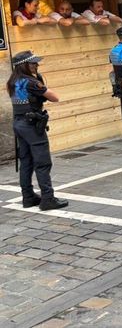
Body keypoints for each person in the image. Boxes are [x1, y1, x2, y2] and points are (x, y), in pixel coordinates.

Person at [7, 51, 68, 211]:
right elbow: (55, 97)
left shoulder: (12, 81)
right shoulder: (32, 83)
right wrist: (40, 83)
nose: (37, 65)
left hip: (19, 123)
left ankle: (28, 197)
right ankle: (48, 199)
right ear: (24, 65)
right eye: (33, 63)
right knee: (43, 163)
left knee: (26, 161)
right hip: (32, 125)